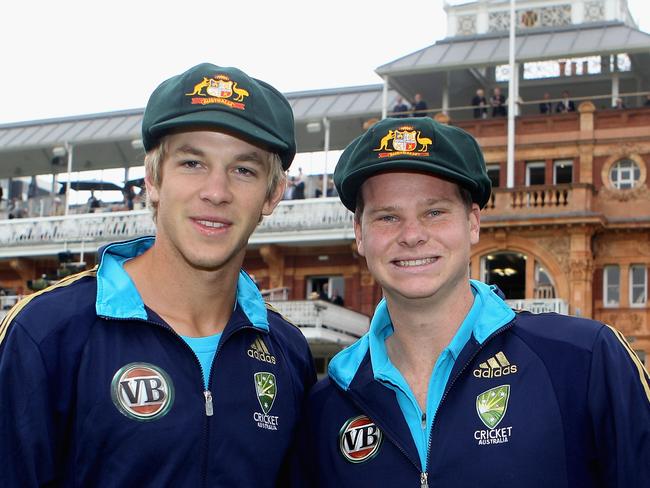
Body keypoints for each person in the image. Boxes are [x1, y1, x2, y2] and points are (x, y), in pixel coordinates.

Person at [0, 62, 316, 487]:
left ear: (273, 194)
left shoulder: (288, 352)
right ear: (153, 179)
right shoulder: (48, 332)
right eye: (191, 163)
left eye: (244, 170)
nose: (216, 192)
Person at [290, 116, 650, 487]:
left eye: (434, 212)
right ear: (359, 234)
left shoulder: (583, 360)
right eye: (387, 217)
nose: (412, 235)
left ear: (473, 222)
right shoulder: (326, 405)